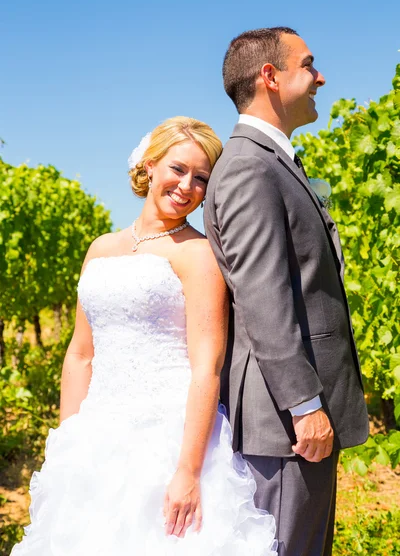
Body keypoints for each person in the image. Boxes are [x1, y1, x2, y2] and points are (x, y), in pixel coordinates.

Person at [11, 116, 277, 555]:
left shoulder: (198, 254)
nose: (187, 185)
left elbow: (205, 367)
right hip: (97, 433)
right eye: (178, 169)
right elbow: (80, 355)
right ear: (149, 165)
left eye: (201, 177)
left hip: (167, 440)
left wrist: (189, 472)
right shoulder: (101, 248)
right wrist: (67, 444)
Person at [204, 28, 369, 556]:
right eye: (308, 65)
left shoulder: (272, 162)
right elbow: (263, 299)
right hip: (287, 425)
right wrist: (304, 405)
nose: (321, 77)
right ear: (269, 78)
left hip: (298, 419)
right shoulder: (250, 168)